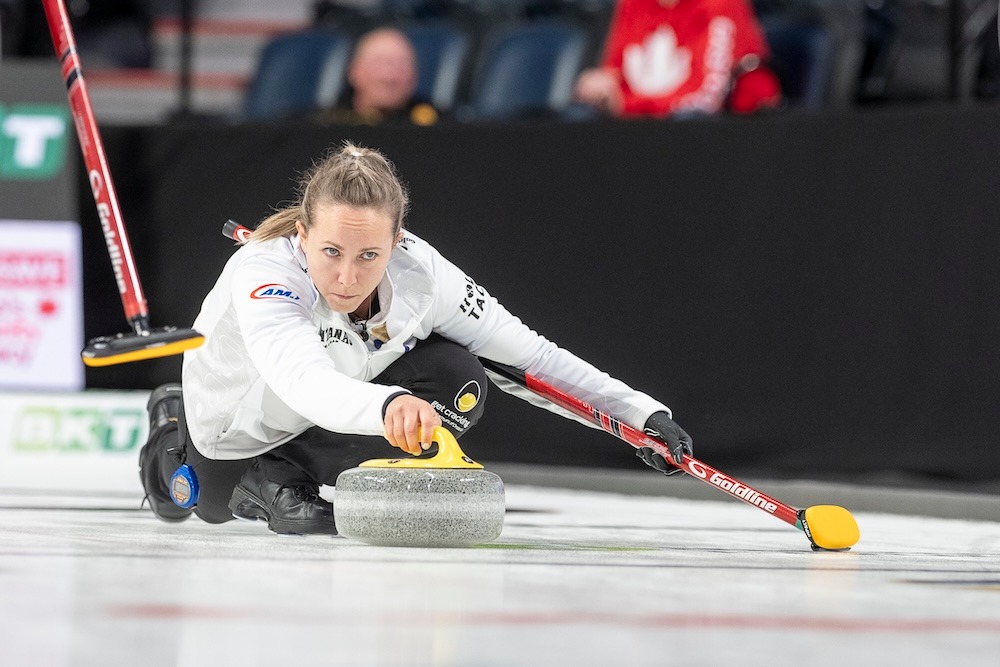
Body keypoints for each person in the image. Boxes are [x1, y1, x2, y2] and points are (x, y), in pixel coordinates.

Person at [138, 142, 693, 535]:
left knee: (459, 380)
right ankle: (172, 427)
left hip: (331, 416)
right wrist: (389, 405)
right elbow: (303, 382)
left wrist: (640, 416)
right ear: (302, 235)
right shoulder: (266, 273)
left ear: (396, 241)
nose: (348, 277)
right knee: (203, 502)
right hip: (236, 427)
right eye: (331, 252)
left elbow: (531, 358)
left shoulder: (422, 272)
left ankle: (290, 475)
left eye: (369, 255)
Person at [573, 0, 781, 118]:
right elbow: (614, 71)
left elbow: (708, 98)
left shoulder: (721, 5)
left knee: (689, 120)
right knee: (579, 115)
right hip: (638, 128)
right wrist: (600, 86)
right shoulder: (633, 3)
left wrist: (625, 106)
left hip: (708, 136)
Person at [318, 27, 439, 126]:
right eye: (378, 64)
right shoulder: (325, 123)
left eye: (400, 66)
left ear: (415, 76)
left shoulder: (435, 126)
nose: (389, 77)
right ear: (354, 72)